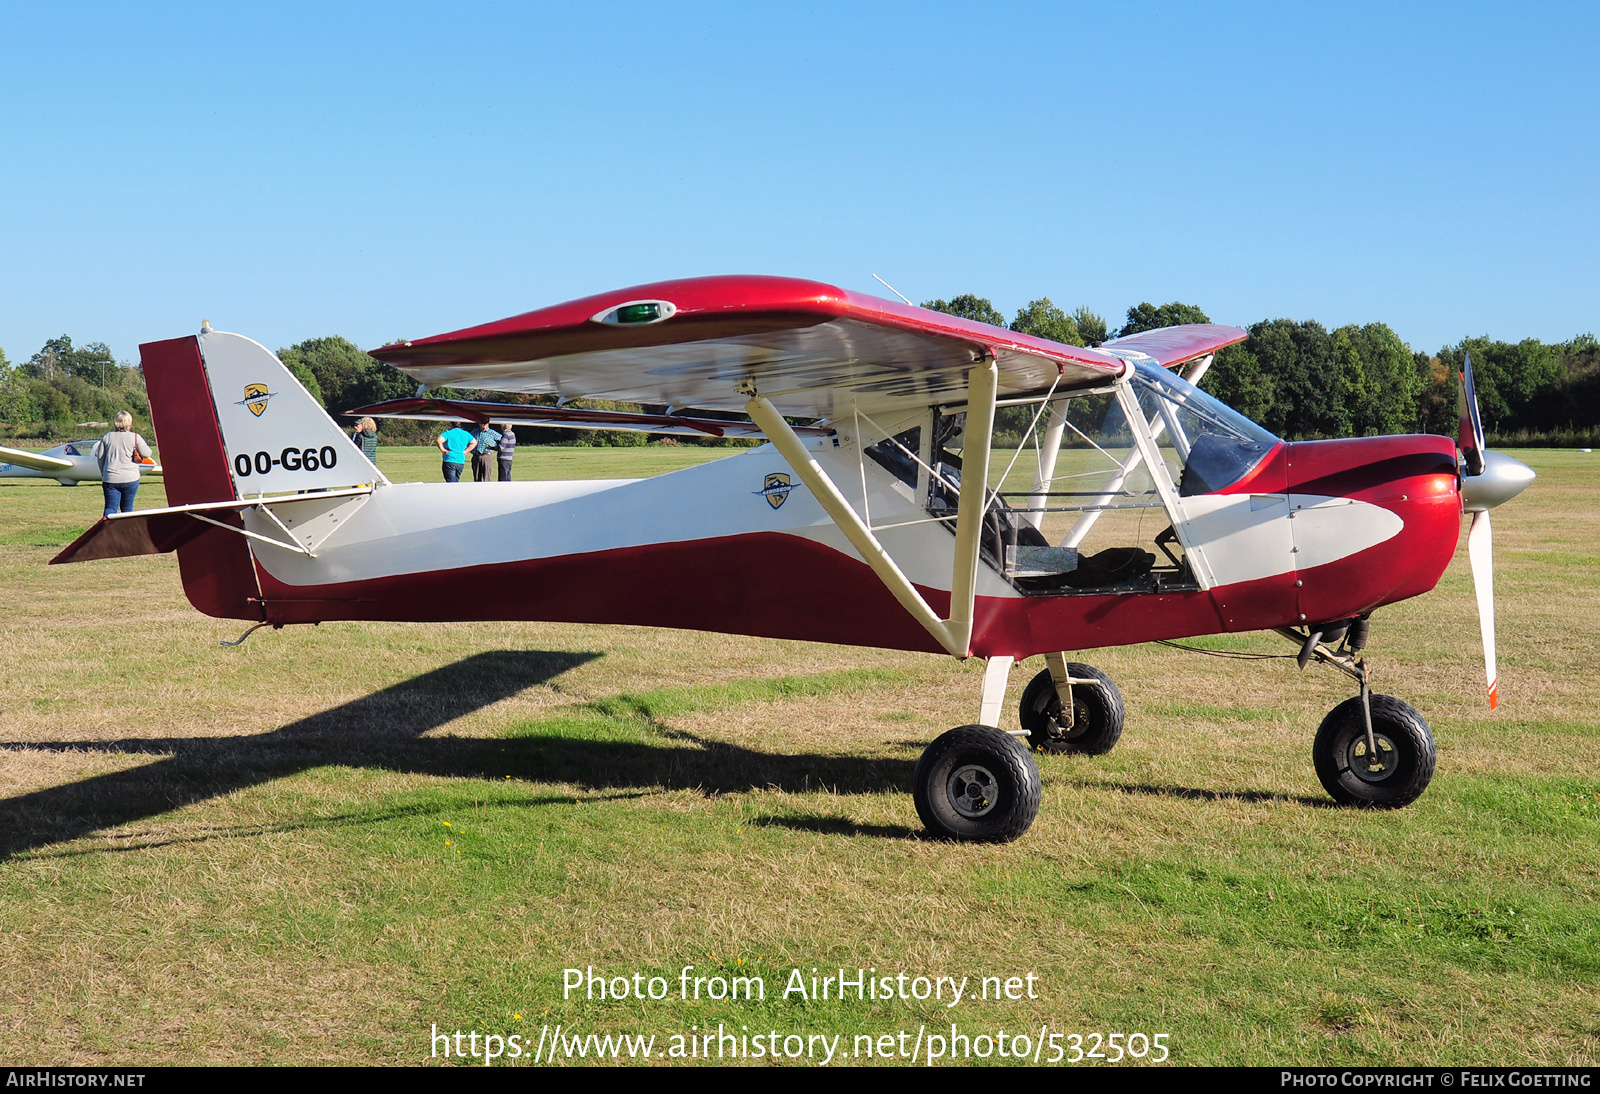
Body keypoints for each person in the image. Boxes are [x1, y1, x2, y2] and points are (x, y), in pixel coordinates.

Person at [94, 411, 153, 517]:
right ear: (129, 423)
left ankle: (106, 531)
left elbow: (100, 457)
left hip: (110, 478)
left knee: (110, 508)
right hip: (130, 478)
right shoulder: (135, 437)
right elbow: (147, 453)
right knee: (127, 509)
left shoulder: (107, 437)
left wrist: (103, 473)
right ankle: (125, 531)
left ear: (116, 422)